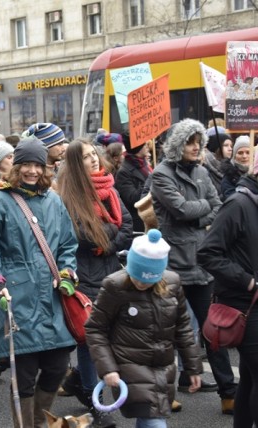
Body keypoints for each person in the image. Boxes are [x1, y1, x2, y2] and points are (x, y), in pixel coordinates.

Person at [0, 136, 79, 426]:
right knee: (24, 374)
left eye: (37, 165)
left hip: (53, 297)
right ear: (14, 167)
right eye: (25, 165)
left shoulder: (54, 200)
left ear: (45, 168)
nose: (32, 171)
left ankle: (38, 422)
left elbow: (68, 245)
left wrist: (68, 273)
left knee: (58, 367)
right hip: (17, 298)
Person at [151, 119, 236, 414]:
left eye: (198, 142)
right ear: (177, 145)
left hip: (202, 263)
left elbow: (219, 204)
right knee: (169, 333)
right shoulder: (160, 174)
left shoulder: (201, 171)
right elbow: (180, 210)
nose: (196, 147)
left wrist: (198, 211)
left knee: (215, 332)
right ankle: (167, 393)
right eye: (190, 141)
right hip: (173, 264)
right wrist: (203, 211)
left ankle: (229, 394)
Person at [86, 229, 203, 428]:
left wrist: (193, 368)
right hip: (130, 368)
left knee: (150, 419)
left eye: (148, 280)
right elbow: (95, 329)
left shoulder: (173, 283)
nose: (141, 283)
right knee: (154, 422)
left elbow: (183, 328)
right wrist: (108, 368)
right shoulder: (115, 286)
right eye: (137, 276)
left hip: (164, 369)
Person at [57, 138, 133, 427]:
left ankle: (78, 380)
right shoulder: (69, 196)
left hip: (111, 274)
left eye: (93, 154)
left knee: (111, 338)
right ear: (77, 165)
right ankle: (95, 403)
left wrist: (107, 239)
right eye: (86, 157)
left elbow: (126, 227)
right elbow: (85, 237)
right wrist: (108, 235)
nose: (93, 160)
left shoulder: (109, 189)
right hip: (86, 279)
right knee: (90, 342)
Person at [198, 171, 258, 427]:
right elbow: (207, 253)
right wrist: (247, 280)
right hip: (243, 304)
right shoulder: (238, 204)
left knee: (248, 377)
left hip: (252, 304)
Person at [116, 134, 153, 233]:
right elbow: (133, 199)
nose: (146, 146)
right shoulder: (123, 172)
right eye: (143, 144)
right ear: (137, 148)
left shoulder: (144, 163)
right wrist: (151, 180)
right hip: (139, 223)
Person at [203, 127, 233, 196]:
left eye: (231, 146)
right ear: (216, 146)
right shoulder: (205, 166)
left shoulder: (231, 166)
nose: (230, 149)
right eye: (226, 145)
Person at [220, 135, 251, 201]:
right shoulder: (229, 177)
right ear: (234, 156)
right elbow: (232, 200)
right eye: (240, 153)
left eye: (248, 152)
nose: (244, 156)